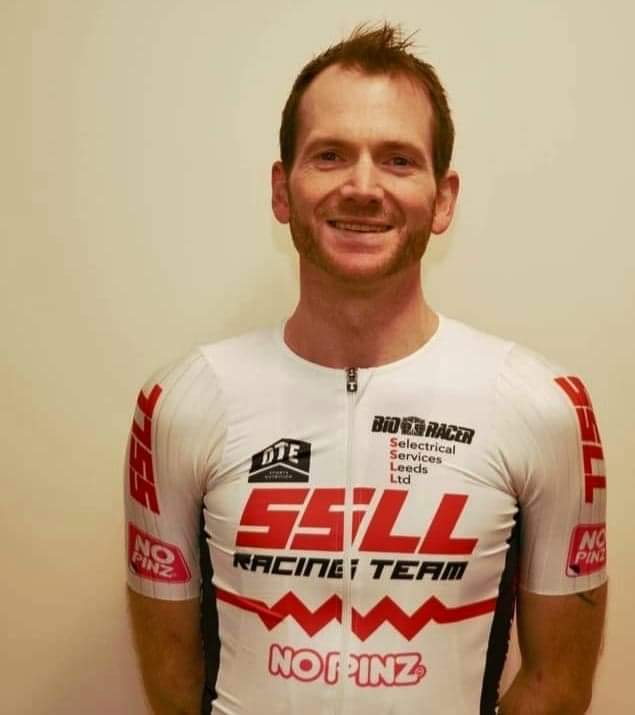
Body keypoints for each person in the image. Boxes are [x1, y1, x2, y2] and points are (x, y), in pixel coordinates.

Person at [125, 23, 608, 715]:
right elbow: (172, 680)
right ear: (282, 190)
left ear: (443, 198)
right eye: (329, 155)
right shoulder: (181, 402)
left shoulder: (542, 406)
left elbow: (558, 684)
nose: (361, 186)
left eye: (398, 160)